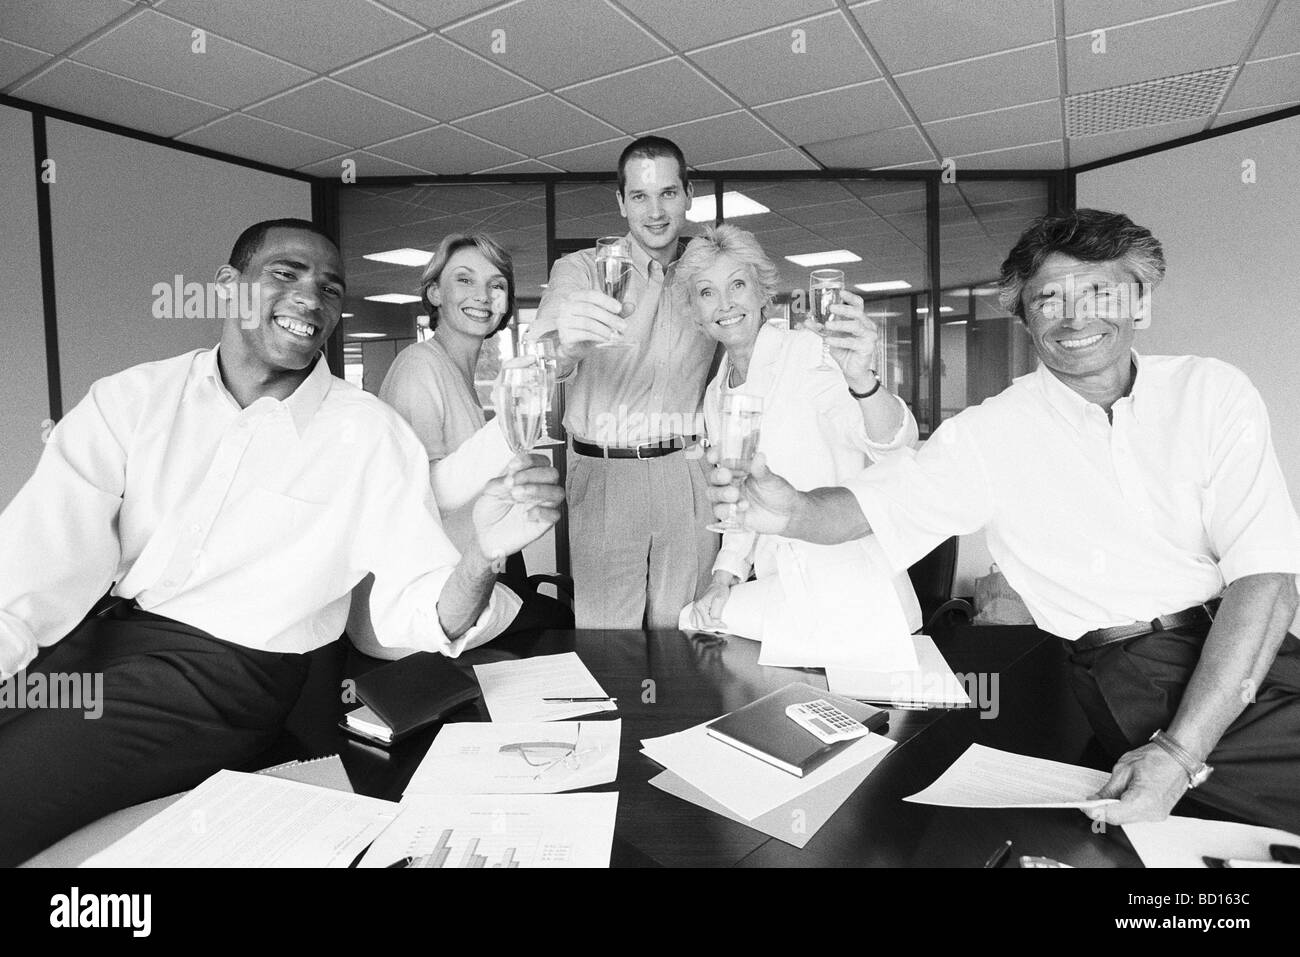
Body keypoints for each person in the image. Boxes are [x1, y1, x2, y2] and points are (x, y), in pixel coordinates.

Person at [705, 209, 1300, 832]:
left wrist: (1179, 757)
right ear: (1025, 319)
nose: (1075, 317)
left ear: (1140, 305)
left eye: (1101, 291)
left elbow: (1267, 580)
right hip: (1141, 677)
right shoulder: (989, 434)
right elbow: (870, 509)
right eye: (1049, 299)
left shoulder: (1212, 390)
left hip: (1257, 647)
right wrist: (791, 510)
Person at [0, 219, 563, 864]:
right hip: (100, 627)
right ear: (226, 287)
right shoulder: (132, 401)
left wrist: (482, 560)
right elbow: (33, 567)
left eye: (329, 289)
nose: (311, 298)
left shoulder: (368, 436)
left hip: (227, 672)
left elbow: (414, 601)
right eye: (285, 274)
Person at [675, 224, 922, 660]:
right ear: (695, 311)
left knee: (699, 628)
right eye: (707, 292)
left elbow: (891, 443)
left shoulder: (810, 352)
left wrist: (862, 381)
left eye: (738, 284)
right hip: (786, 585)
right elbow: (740, 503)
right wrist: (723, 577)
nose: (726, 303)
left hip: (850, 584)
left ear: (763, 293)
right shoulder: (717, 393)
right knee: (701, 620)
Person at [348, 233, 570, 658]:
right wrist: (510, 425)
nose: (482, 295)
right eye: (464, 280)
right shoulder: (419, 365)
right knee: (560, 623)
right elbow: (426, 492)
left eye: (496, 284)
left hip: (457, 585)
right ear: (435, 293)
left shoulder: (454, 373)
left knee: (545, 613)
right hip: (417, 609)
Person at [530, 136, 719, 629]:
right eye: (639, 196)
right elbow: (540, 362)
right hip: (605, 472)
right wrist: (569, 343)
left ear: (688, 194)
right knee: (608, 639)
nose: (655, 211)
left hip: (687, 470)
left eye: (668, 194)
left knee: (688, 630)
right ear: (621, 202)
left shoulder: (707, 271)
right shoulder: (582, 270)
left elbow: (748, 343)